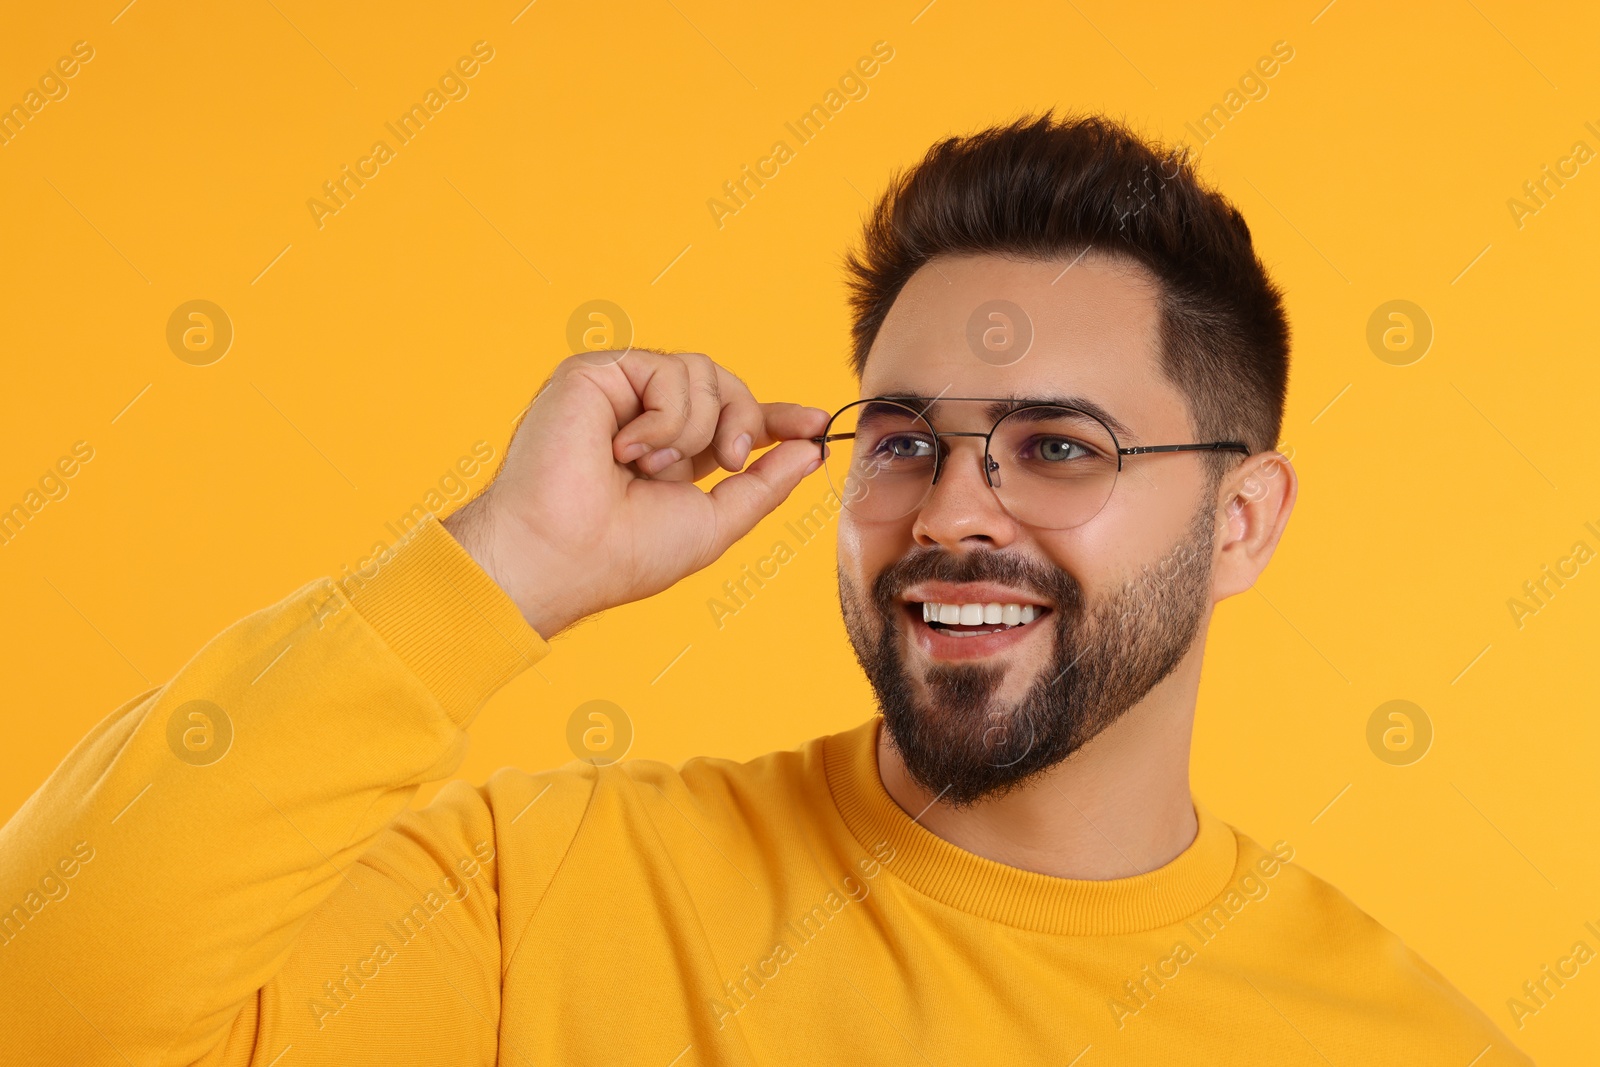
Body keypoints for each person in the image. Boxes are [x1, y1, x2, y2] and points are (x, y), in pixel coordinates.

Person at [0, 113, 1531, 1066]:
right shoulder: (544, 893)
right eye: (906, 442)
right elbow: (42, 1011)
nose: (952, 516)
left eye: (1057, 448)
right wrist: (506, 569)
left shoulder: (1401, 1046)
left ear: (1243, 520)